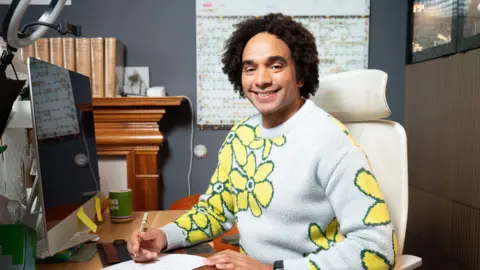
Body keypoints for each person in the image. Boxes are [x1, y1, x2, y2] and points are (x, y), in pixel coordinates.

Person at [127, 13, 397, 270]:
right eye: (250, 68)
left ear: (300, 75)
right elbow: (216, 211)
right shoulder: (241, 136)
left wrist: (270, 269)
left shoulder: (331, 141)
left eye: (276, 66)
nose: (261, 80)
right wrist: (163, 236)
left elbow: (375, 248)